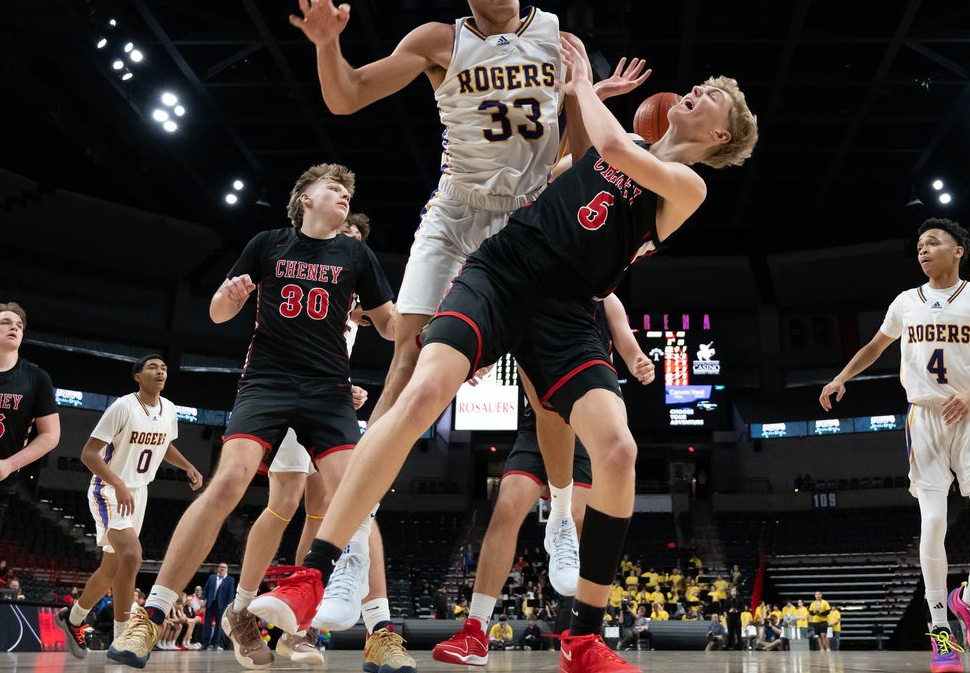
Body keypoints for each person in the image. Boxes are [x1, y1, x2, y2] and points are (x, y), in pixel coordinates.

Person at [254, 35, 755, 673]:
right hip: (503, 269)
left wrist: (577, 86)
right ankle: (313, 575)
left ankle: (585, 638)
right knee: (423, 394)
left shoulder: (686, 187)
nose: (698, 91)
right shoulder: (607, 147)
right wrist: (586, 101)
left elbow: (614, 147)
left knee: (620, 450)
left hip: (570, 309)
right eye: (701, 86)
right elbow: (553, 172)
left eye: (714, 98)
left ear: (719, 137)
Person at [287, 0, 650, 664]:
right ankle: (351, 539)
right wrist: (327, 43)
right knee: (406, 367)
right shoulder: (437, 41)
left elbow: (583, 158)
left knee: (551, 390)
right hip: (456, 217)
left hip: (531, 219)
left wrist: (587, 102)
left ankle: (557, 516)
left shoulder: (560, 42)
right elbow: (348, 97)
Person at [105, 164, 396, 670]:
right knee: (229, 484)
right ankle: (150, 615)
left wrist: (435, 329)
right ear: (305, 198)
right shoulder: (267, 242)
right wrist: (229, 298)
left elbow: (391, 325)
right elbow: (217, 312)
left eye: (349, 191)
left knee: (358, 501)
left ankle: (380, 629)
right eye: (335, 188)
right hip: (267, 383)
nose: (345, 195)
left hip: (328, 391)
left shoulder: (356, 253)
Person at [821, 218, 970, 672]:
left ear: (958, 250)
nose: (923, 251)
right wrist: (841, 376)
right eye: (920, 246)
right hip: (924, 417)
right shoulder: (906, 301)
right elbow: (874, 346)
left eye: (933, 243)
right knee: (934, 523)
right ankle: (941, 630)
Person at [433, 292, 652, 667]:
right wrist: (481, 364)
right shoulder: (533, 287)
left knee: (585, 520)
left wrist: (638, 361)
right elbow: (504, 337)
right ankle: (475, 630)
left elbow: (629, 348)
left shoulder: (607, 299)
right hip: (537, 427)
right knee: (506, 509)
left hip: (583, 426)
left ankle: (584, 635)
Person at [226, 215, 374, 669]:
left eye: (352, 242)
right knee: (284, 500)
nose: (341, 248)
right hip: (282, 394)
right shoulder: (290, 265)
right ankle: (241, 608)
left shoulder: (352, 309)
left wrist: (351, 389)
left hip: (327, 404)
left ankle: (299, 624)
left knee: (323, 508)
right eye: (340, 236)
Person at [57, 353, 203, 658]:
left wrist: (187, 465)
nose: (160, 371)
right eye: (153, 367)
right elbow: (89, 454)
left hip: (139, 493)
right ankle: (122, 638)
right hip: (109, 489)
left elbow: (163, 445)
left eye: (164, 368)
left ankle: (71, 620)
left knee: (112, 568)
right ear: (138, 375)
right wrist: (119, 483)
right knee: (132, 554)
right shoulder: (123, 406)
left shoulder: (170, 409)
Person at [0, 303, 60, 597]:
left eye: (19, 324)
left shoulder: (35, 377)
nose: (15, 327)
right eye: (7, 322)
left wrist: (9, 464)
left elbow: (50, 435)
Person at [201, 563, 235, 651]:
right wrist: (202, 598)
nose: (222, 569)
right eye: (221, 567)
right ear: (218, 568)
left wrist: (229, 606)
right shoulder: (212, 577)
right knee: (207, 624)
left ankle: (215, 644)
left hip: (221, 606)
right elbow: (205, 589)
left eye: (224, 567)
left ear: (227, 569)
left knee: (218, 625)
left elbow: (231, 594)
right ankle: (205, 644)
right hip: (210, 604)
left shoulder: (230, 580)